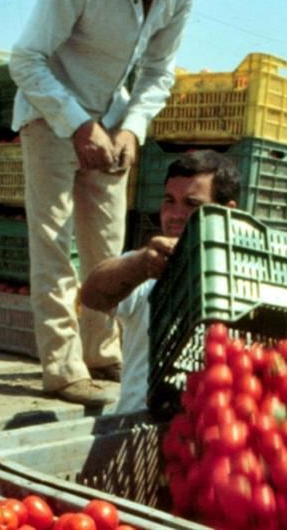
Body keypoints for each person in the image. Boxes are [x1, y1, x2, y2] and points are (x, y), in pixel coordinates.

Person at [9, 0, 226, 406]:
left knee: (107, 244)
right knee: (54, 243)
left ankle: (102, 353)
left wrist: (131, 128)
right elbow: (26, 59)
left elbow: (158, 72)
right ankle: (61, 369)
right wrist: (76, 123)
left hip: (111, 119)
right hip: (50, 111)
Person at [80, 150, 241, 414]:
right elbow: (92, 295)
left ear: (227, 212)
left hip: (210, 429)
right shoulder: (147, 265)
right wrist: (142, 264)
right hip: (135, 427)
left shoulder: (244, 277)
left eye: (192, 204)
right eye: (169, 201)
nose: (175, 214)